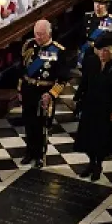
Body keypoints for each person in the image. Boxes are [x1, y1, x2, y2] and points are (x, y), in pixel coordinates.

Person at [14, 19, 68, 168]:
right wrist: (20, 89)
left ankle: (39, 155)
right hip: (28, 91)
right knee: (29, 123)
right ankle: (29, 152)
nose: (38, 37)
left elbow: (63, 79)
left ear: (49, 33)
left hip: (44, 93)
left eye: (41, 34)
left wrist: (51, 95)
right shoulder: (29, 45)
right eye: (36, 34)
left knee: (41, 126)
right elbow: (22, 70)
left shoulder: (58, 51)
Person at [74, 35, 112, 180]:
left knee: (101, 138)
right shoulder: (90, 61)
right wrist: (78, 100)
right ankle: (90, 163)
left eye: (106, 51)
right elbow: (84, 83)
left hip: (105, 107)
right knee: (88, 136)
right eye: (100, 50)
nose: (102, 54)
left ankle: (98, 165)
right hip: (90, 104)